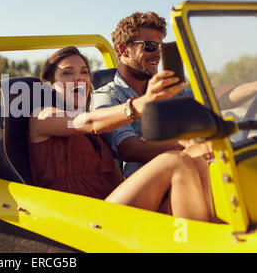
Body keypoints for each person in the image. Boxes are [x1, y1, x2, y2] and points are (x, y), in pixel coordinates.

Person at [28, 46, 214, 222]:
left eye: (84, 72)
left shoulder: (98, 136)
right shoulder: (43, 116)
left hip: (110, 210)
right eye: (67, 73)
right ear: (50, 85)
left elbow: (118, 183)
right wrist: (139, 105)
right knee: (174, 161)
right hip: (76, 217)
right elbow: (90, 122)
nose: (79, 78)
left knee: (198, 153)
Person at [91, 11, 257, 178]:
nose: (157, 54)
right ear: (124, 50)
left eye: (160, 46)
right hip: (149, 190)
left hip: (196, 171)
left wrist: (254, 86)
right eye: (149, 46)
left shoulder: (165, 87)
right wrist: (191, 145)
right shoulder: (107, 95)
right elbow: (130, 149)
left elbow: (213, 97)